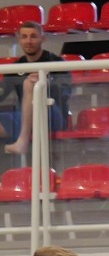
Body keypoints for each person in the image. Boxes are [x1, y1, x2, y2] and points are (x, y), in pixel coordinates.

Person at [0, 22, 71, 157]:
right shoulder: (16, 66)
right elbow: (1, 92)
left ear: (42, 39)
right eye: (24, 37)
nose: (28, 41)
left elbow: (65, 93)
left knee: (30, 83)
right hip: (24, 117)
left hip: (53, 115)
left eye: (33, 36)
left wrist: (46, 83)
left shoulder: (56, 62)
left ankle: (22, 141)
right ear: (19, 39)